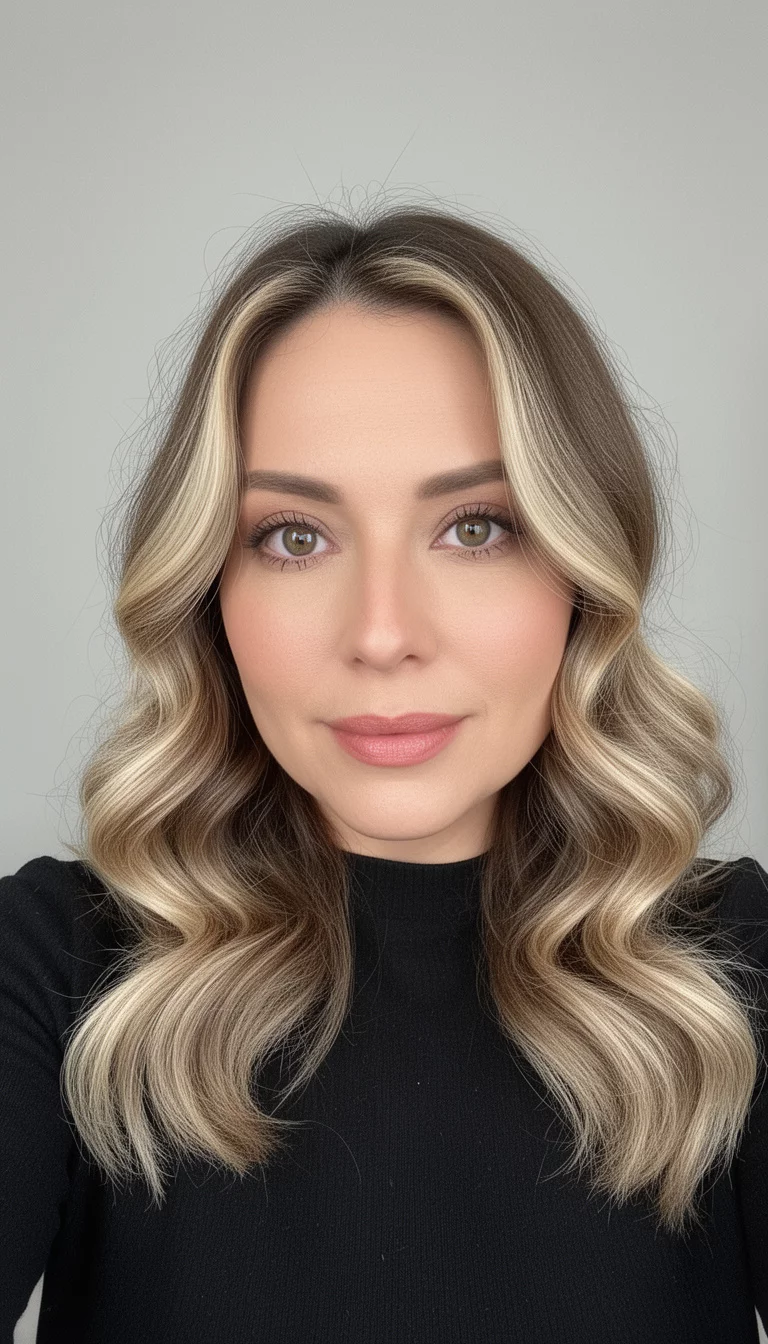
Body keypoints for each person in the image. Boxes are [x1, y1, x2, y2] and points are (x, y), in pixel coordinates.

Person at [1, 203, 766, 1343]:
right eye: (295, 537)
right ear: (211, 589)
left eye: (476, 527)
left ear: (582, 572)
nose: (382, 634)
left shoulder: (732, 976)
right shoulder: (54, 972)